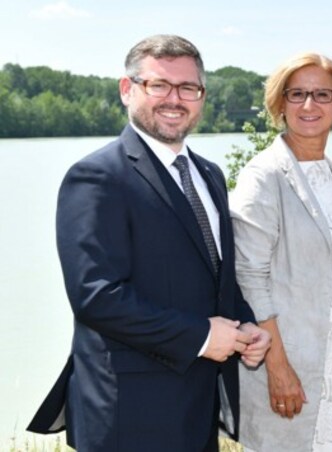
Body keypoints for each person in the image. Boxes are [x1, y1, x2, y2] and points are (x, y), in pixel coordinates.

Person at [26, 34, 271, 451]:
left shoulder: (209, 175)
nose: (174, 99)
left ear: (201, 96)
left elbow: (213, 275)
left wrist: (245, 324)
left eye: (188, 88)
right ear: (127, 89)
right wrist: (202, 337)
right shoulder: (97, 177)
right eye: (158, 85)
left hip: (196, 406)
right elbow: (97, 296)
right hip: (128, 412)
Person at [230, 53, 332, 452]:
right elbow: (249, 277)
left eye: (322, 94)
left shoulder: (330, 174)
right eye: (297, 94)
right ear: (280, 104)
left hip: (326, 364)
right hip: (286, 367)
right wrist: (278, 367)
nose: (310, 105)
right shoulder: (264, 177)